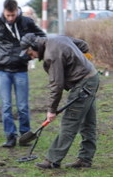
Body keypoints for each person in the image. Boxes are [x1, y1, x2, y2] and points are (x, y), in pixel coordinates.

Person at [19, 33, 100, 169]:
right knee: (88, 122)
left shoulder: (51, 55)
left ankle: (52, 160)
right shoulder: (55, 38)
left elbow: (57, 85)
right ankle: (85, 159)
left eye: (29, 52)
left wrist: (51, 110)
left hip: (83, 84)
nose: (30, 56)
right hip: (92, 77)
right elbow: (83, 45)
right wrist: (79, 61)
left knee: (70, 121)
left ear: (34, 46)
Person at [0, 0, 46, 148]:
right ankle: (10, 136)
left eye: (13, 15)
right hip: (3, 70)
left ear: (17, 11)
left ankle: (25, 135)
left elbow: (42, 36)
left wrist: (31, 49)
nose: (10, 18)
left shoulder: (26, 22)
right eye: (8, 15)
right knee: (6, 106)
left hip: (21, 69)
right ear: (4, 11)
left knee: (22, 106)